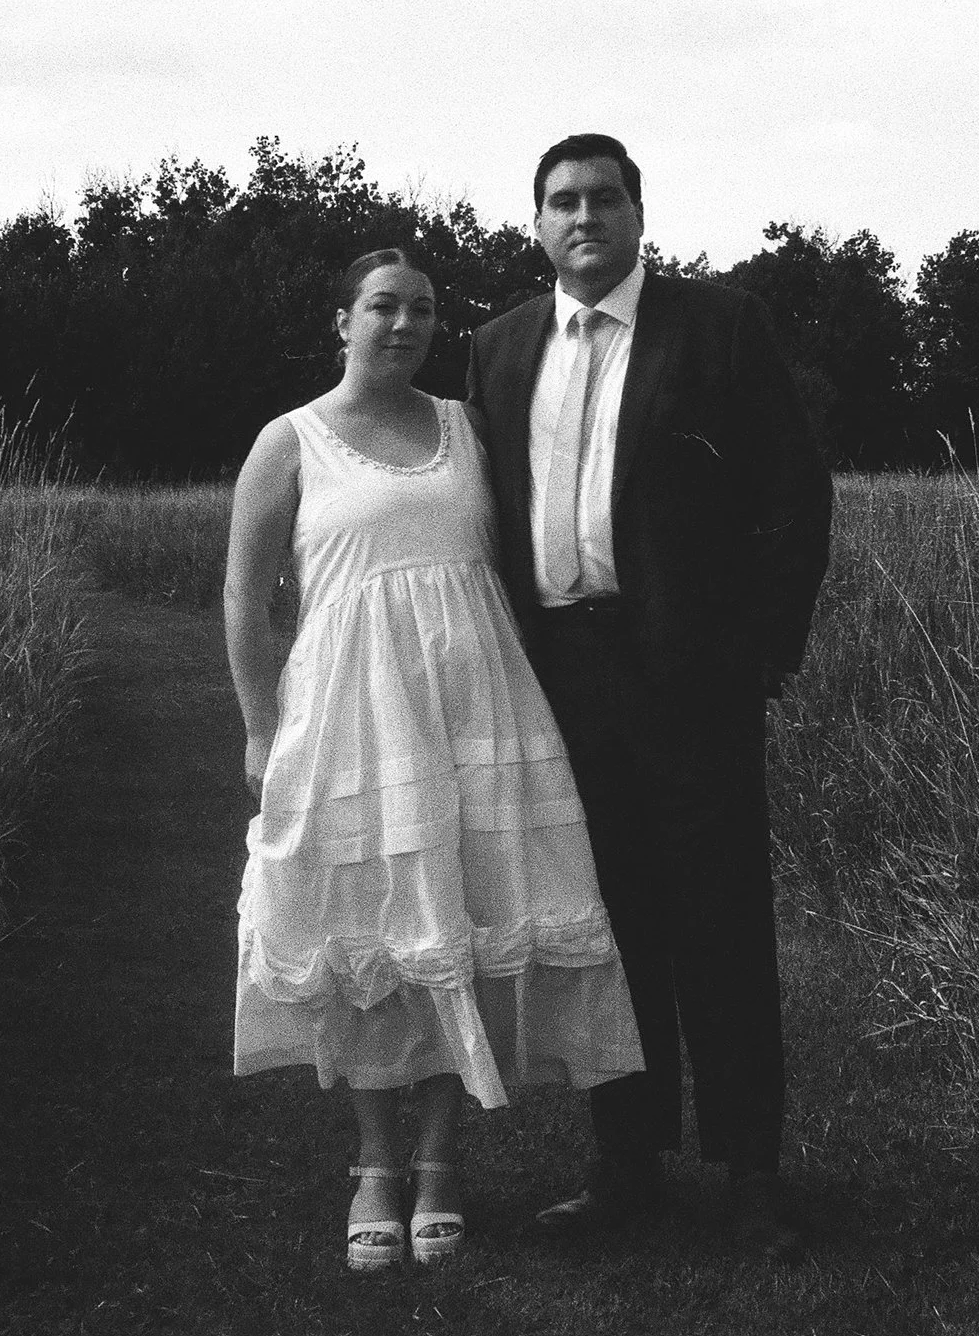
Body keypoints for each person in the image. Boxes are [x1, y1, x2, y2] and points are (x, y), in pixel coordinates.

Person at [226, 247, 646, 1272]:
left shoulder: (467, 429)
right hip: (347, 713)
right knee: (364, 930)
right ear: (342, 320)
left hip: (474, 707)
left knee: (459, 917)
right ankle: (375, 1164)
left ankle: (443, 1161)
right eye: (382, 306)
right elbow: (245, 597)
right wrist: (254, 722)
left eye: (420, 308)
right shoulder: (290, 442)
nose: (404, 323)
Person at [465, 133, 832, 1261]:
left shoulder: (717, 327)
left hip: (689, 674)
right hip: (558, 677)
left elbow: (794, 492)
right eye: (561, 202)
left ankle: (751, 1175)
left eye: (604, 198)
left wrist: (760, 653)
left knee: (717, 917)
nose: (584, 216)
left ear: (637, 212)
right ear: (535, 224)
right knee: (601, 927)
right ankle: (624, 1164)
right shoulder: (498, 347)